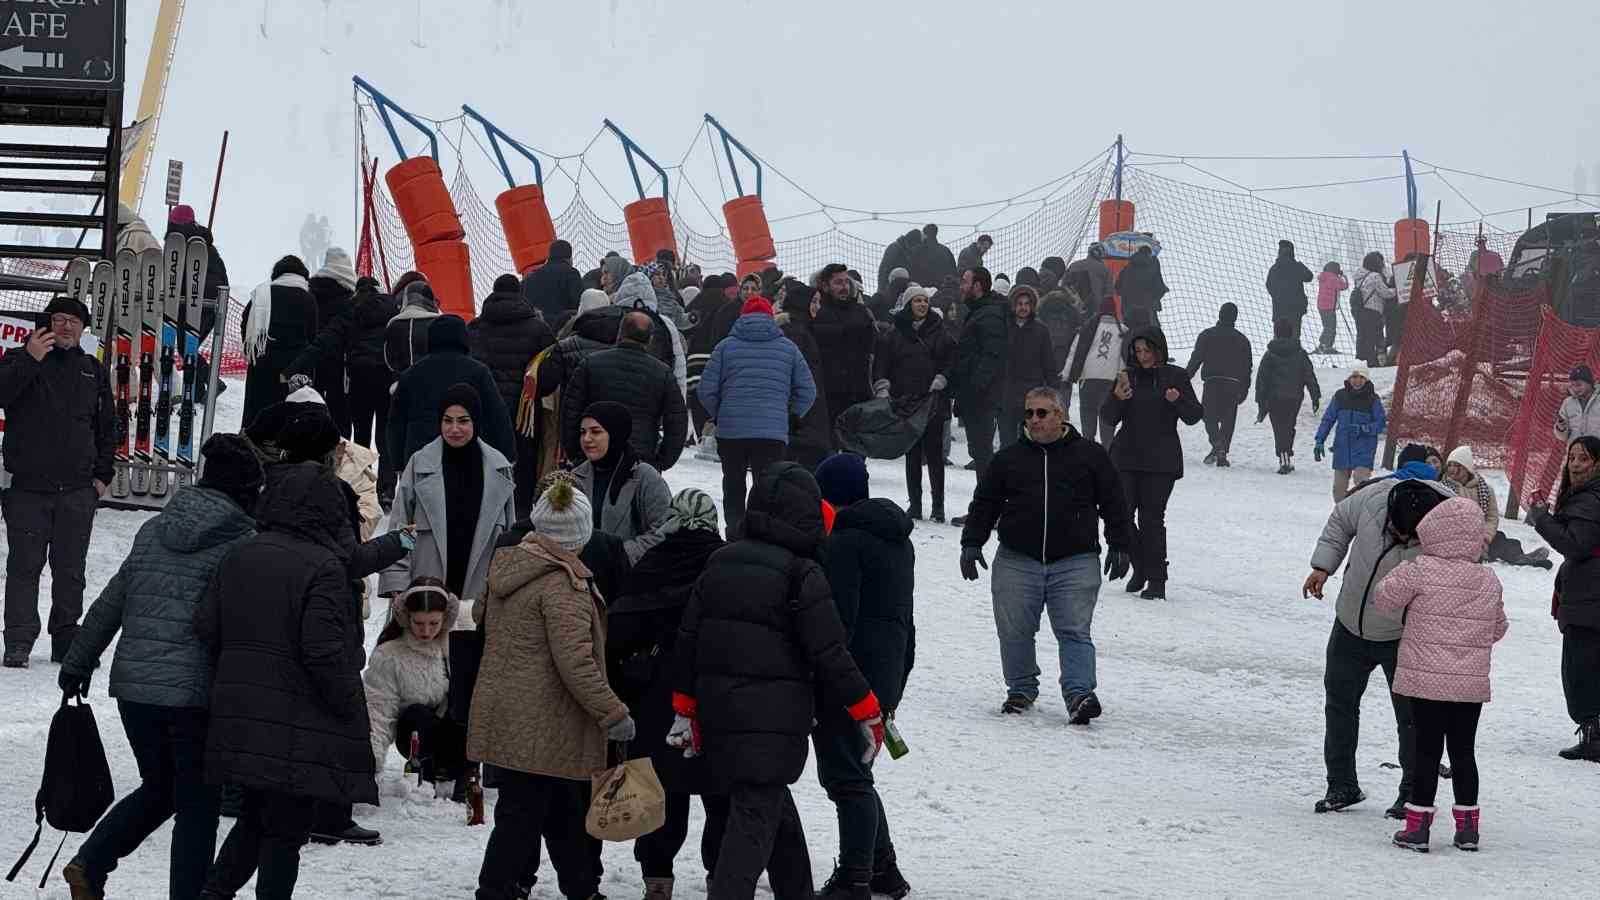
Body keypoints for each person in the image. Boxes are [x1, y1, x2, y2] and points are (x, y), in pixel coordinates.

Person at [56, 435, 261, 900]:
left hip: (134, 689)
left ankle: (90, 864)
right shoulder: (242, 542)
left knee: (163, 786)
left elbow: (113, 598)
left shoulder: (153, 531)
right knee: (198, 805)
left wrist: (78, 659)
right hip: (191, 695)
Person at [668, 462, 884, 900]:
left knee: (770, 806)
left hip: (719, 712)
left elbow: (688, 639)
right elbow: (830, 653)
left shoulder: (720, 560)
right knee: (752, 821)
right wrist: (867, 708)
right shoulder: (801, 573)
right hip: (773, 721)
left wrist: (684, 705)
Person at [195, 463, 378, 899]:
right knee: (284, 832)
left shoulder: (240, 553)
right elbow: (324, 651)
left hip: (239, 714)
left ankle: (213, 894)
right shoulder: (325, 567)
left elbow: (206, 625)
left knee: (257, 817)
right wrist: (350, 705)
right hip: (297, 720)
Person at [469, 479, 634, 900]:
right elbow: (577, 663)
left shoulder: (510, 568)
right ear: (581, 535)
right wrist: (613, 712)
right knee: (522, 815)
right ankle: (494, 891)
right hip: (545, 721)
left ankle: (581, 888)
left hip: (515, 713)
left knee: (559, 807)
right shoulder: (563, 587)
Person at [959, 386, 1131, 721]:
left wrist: (1120, 543)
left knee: (1074, 630)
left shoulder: (1091, 455)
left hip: (1075, 560)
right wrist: (971, 542)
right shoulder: (1009, 458)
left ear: (1061, 415)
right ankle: (1021, 689)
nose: (1033, 420)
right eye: (1028, 413)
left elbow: (1114, 502)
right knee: (1015, 630)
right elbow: (985, 503)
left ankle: (1080, 693)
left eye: (1041, 413)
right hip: (1017, 559)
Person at [1303, 443, 1454, 818]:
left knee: (1411, 718)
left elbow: (1468, 561)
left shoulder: (1449, 515)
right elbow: (1340, 520)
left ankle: (1411, 794)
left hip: (1405, 634)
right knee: (1340, 705)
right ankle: (1342, 785)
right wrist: (1324, 565)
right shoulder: (1373, 496)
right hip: (1350, 623)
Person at [607, 489, 731, 898]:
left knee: (663, 793)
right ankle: (721, 875)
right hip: (716, 698)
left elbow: (618, 635)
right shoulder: (727, 567)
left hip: (655, 701)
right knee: (721, 794)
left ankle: (657, 879)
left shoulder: (649, 566)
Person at [811, 454, 916, 900]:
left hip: (851, 675)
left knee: (845, 778)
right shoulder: (896, 540)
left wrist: (826, 674)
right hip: (888, 670)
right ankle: (883, 870)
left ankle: (855, 877)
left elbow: (840, 621)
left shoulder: (845, 543)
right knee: (858, 772)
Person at [1374, 498, 1506, 852]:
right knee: (1464, 752)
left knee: (1427, 753)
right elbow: (1498, 628)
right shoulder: (1488, 579)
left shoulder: (1420, 569)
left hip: (1426, 682)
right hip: (1469, 685)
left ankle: (1417, 829)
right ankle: (1467, 830)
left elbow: (1383, 598)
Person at [0, 295, 113, 668]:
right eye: (60, 319)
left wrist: (101, 477)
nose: (66, 327)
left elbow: (107, 426)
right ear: (47, 323)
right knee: (23, 568)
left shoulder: (91, 370)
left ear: (83, 329)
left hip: (78, 492)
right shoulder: (19, 358)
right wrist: (31, 358)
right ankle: (17, 641)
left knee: (70, 571)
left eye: (74, 321)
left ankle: (66, 639)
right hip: (28, 490)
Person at [381, 383, 516, 609]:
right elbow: (402, 529)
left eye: (463, 421)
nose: (454, 429)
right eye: (447, 420)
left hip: (480, 602)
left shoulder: (499, 468)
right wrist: (398, 583)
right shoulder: (419, 465)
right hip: (424, 600)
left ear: (476, 421)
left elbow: (509, 539)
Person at [698, 297, 817, 537]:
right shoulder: (788, 348)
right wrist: (792, 415)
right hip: (771, 432)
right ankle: (760, 535)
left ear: (742, 317)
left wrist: (719, 413)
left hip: (732, 430)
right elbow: (808, 390)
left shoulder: (725, 347)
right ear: (771, 318)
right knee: (767, 486)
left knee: (733, 484)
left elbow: (705, 389)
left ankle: (734, 532)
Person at [1102, 328, 1202, 600]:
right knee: (1121, 515)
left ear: (1159, 349)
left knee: (1151, 519)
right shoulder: (1127, 377)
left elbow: (1195, 415)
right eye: (1138, 351)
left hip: (1160, 460)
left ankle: (1157, 579)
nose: (1143, 356)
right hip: (1126, 457)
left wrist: (1177, 399)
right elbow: (1108, 417)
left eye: (1147, 351)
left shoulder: (1176, 376)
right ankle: (1141, 566)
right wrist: (1116, 398)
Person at [284, 276, 398, 491]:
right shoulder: (393, 309)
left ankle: (361, 484)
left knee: (361, 435)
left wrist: (292, 369)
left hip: (358, 379)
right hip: (386, 379)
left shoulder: (350, 311)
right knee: (385, 437)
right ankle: (387, 490)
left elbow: (324, 342)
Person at [1526, 435, 1600, 762]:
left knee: (1581, 668)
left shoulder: (1591, 499)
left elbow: (1576, 545)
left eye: (1583, 458)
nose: (1575, 464)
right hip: (1587, 592)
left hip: (1590, 595)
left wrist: (1541, 517)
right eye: (1572, 458)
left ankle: (1594, 735)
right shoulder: (1584, 496)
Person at [365, 578, 466, 795]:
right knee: (418, 713)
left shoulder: (460, 641)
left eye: (434, 623)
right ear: (405, 618)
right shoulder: (390, 654)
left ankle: (463, 776)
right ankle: (424, 776)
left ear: (446, 619)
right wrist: (370, 760)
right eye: (419, 623)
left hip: (456, 736)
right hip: (414, 735)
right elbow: (379, 710)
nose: (427, 631)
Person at [469, 274, 556, 517]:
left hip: (484, 410)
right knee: (524, 465)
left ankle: (486, 517)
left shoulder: (475, 327)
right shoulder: (539, 328)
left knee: (485, 461)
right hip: (524, 412)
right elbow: (554, 366)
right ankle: (520, 516)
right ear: (520, 294)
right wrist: (537, 393)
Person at [562, 310, 688, 473]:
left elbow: (570, 412)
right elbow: (677, 422)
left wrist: (577, 453)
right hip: (640, 459)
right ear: (650, 339)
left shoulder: (590, 364)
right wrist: (661, 461)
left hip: (594, 456)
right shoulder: (662, 373)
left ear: (620, 333)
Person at [387, 314, 516, 474]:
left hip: (420, 456)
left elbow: (396, 422)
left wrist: (398, 462)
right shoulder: (478, 372)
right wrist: (507, 455)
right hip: (468, 454)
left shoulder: (411, 375)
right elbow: (497, 415)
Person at [874, 284, 955, 522]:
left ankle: (938, 506)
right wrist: (883, 384)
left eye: (925, 301)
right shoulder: (894, 334)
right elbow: (883, 363)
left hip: (933, 401)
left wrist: (943, 377)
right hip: (906, 402)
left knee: (935, 455)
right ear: (908, 304)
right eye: (917, 301)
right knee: (912, 453)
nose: (922, 305)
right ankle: (916, 505)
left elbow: (952, 361)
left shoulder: (940, 332)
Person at [570, 401, 672, 565]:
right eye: (583, 432)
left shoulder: (645, 477)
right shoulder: (575, 476)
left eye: (595, 432)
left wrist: (618, 555)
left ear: (615, 434)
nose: (586, 439)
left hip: (629, 574)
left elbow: (665, 531)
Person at [241, 255, 320, 428]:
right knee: (287, 424)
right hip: (292, 373)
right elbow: (313, 337)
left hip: (261, 368)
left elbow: (245, 326)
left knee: (257, 423)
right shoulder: (308, 299)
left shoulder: (261, 295)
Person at [950, 266, 1009, 477]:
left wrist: (974, 389)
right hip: (977, 397)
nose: (961, 286)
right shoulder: (979, 311)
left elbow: (991, 357)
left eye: (965, 282)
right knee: (980, 453)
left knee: (983, 456)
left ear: (977, 286)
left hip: (982, 399)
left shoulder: (990, 314)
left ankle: (988, 508)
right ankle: (984, 507)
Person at [811, 263, 878, 445]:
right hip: (827, 394)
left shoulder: (860, 312)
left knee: (855, 451)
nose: (844, 287)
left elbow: (873, 348)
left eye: (846, 282)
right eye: (838, 282)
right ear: (825, 285)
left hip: (857, 392)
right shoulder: (817, 312)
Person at [1184, 302, 1253, 467]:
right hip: (1234, 384)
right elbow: (1247, 368)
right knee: (1228, 420)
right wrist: (1245, 388)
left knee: (1209, 417)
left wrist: (1184, 379)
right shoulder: (1242, 340)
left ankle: (1217, 444)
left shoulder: (1207, 335)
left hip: (1212, 382)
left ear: (1220, 314)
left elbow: (1196, 359)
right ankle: (1222, 450)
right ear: (1235, 317)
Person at [775, 284, 833, 472]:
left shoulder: (802, 329)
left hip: (803, 416)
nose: (818, 306)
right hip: (804, 420)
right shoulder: (797, 332)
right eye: (814, 301)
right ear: (802, 303)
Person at [1255, 318, 1321, 474]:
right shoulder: (1300, 353)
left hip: (1274, 398)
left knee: (1279, 428)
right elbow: (1309, 375)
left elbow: (1261, 380)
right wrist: (1315, 396)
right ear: (1291, 333)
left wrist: (1260, 400)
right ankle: (1287, 453)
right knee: (1289, 426)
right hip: (1294, 397)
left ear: (1275, 332)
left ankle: (1283, 455)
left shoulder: (1269, 355)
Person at [304, 248, 359, 435]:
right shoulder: (351, 297)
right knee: (340, 415)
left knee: (312, 408)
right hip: (340, 364)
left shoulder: (310, 290)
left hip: (312, 359)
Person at [996, 285, 1058, 448]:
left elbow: (1049, 363)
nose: (1023, 307)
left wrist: (1052, 392)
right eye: (1019, 303)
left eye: (1026, 304)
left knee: (1031, 441)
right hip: (1006, 394)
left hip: (1031, 395)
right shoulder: (1003, 328)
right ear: (1013, 305)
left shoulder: (1041, 331)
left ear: (1032, 306)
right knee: (1007, 442)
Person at [1314, 367, 1386, 501]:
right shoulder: (1340, 396)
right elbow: (1328, 419)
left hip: (1364, 449)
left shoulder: (1373, 399)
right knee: (1338, 491)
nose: (1357, 381)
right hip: (1342, 448)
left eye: (1361, 377)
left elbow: (1380, 423)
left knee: (1361, 484)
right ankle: (1343, 517)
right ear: (1349, 378)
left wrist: (1363, 429)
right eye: (1354, 377)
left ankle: (1359, 514)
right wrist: (1320, 440)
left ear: (1366, 379)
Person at [613, 270, 689, 398]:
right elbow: (679, 369)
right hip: (655, 394)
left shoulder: (615, 319)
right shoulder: (665, 323)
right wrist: (678, 402)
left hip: (616, 393)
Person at [1063, 296, 1127, 445]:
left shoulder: (1087, 327)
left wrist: (1067, 376)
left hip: (1088, 379)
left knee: (1088, 413)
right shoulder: (1122, 330)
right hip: (1110, 381)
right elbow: (1123, 359)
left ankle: (1088, 449)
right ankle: (1108, 452)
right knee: (1106, 418)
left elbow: (1074, 352)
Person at [520, 239, 585, 327]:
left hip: (535, 330)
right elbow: (578, 303)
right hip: (561, 330)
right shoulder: (571, 273)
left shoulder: (530, 277)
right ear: (569, 257)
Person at [384, 276, 439, 376]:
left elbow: (389, 361)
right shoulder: (439, 322)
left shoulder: (392, 323)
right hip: (433, 381)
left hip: (400, 384)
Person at [1266, 239, 1314, 341]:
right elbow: (1309, 276)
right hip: (1295, 309)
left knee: (1278, 337)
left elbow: (1269, 285)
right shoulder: (1296, 267)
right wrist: (1300, 264)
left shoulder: (1274, 268)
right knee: (1294, 336)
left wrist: (1277, 297)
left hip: (1279, 309)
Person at [1354, 252, 1396, 367]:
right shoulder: (1375, 276)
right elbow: (1385, 293)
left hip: (1361, 310)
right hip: (1373, 310)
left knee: (1364, 336)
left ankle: (1362, 359)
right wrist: (1397, 291)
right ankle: (1373, 361)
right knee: (1375, 337)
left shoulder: (1360, 275)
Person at [1114, 246, 1167, 329]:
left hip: (1129, 312)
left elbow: (1117, 289)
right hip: (1148, 312)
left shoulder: (1126, 269)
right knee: (1150, 337)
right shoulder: (1153, 267)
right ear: (1149, 253)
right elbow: (1160, 288)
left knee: (1130, 338)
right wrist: (1154, 300)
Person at [1554, 364, 1600, 444]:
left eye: (1579, 385)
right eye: (1572, 385)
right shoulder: (1568, 403)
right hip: (1576, 452)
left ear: (1590, 383)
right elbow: (1562, 437)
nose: (1575, 389)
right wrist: (1561, 428)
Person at [1315, 262, 1349, 354]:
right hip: (1329, 307)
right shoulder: (1334, 278)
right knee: (1331, 328)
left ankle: (1323, 345)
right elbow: (1344, 286)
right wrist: (1343, 276)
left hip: (1321, 306)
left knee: (1327, 326)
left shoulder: (1324, 276)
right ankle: (1326, 346)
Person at [910, 223, 957, 290]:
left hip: (921, 293)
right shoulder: (946, 251)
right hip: (942, 292)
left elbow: (912, 272)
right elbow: (953, 273)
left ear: (925, 235)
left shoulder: (916, 251)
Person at [1066, 243, 1114, 308]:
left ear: (1089, 252)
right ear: (1102, 254)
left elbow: (1065, 285)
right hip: (1095, 307)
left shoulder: (1074, 265)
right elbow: (1108, 293)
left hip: (1073, 306)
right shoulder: (1105, 269)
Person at [877, 229, 923, 296]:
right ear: (913, 242)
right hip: (889, 289)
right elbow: (883, 271)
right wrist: (881, 291)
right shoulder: (894, 248)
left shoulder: (907, 251)